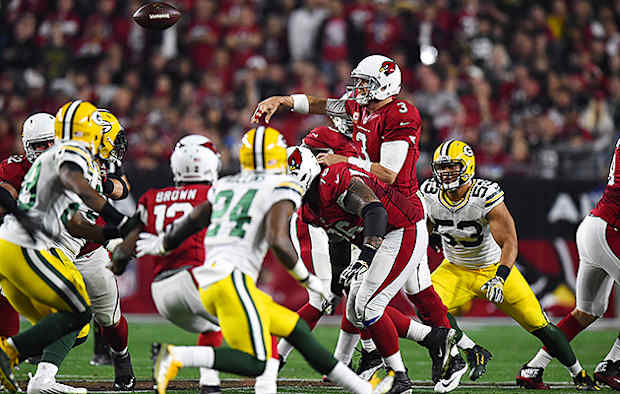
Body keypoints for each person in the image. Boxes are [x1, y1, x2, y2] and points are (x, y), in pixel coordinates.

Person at [116, 126, 394, 394]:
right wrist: (307, 279)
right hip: (230, 281)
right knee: (256, 361)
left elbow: (192, 220)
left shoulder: (225, 184)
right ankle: (176, 356)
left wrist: (162, 243)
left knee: (295, 329)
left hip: (213, 277)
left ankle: (363, 390)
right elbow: (278, 241)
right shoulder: (280, 186)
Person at [252, 54, 454, 389]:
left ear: (386, 84)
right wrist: (284, 100)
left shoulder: (395, 115)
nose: (357, 90)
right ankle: (397, 354)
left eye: (365, 83)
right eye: (357, 82)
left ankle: (436, 350)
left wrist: (343, 160)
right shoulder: (355, 112)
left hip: (396, 209)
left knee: (386, 298)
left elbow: (388, 173)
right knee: (360, 299)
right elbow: (322, 104)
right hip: (369, 209)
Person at [420, 139, 599, 392]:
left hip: (492, 268)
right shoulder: (429, 192)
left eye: (453, 167)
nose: (447, 173)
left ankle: (578, 373)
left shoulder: (484, 195)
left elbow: (510, 242)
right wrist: (431, 236)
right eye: (442, 168)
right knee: (426, 309)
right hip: (455, 268)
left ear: (468, 167)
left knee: (541, 326)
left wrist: (500, 277)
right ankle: (471, 350)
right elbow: (425, 224)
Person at [287, 146, 454, 394]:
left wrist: (365, 257)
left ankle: (400, 376)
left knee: (368, 305)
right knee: (356, 309)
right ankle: (434, 339)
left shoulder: (334, 179)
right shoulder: (309, 208)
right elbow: (337, 238)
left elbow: (375, 211)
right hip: (382, 237)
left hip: (401, 228)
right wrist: (336, 282)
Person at [0, 100, 132, 393]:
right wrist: (118, 226)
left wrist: (110, 231)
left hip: (27, 245)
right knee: (77, 313)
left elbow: (75, 218)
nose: (110, 147)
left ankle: (14, 358)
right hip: (37, 245)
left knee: (73, 322)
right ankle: (38, 376)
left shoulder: (67, 160)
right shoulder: (69, 157)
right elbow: (75, 194)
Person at [110, 134, 226, 393]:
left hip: (161, 290)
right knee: (256, 321)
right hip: (194, 278)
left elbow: (122, 254)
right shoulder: (214, 193)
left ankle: (208, 382)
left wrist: (114, 267)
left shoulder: (152, 197)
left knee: (212, 326)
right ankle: (265, 380)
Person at [518, 137, 620, 391]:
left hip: (596, 226)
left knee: (588, 311)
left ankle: (534, 367)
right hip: (610, 228)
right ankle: (612, 364)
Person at [70, 109, 136, 391]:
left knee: (109, 316)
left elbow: (122, 187)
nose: (118, 144)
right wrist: (117, 228)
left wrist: (106, 183)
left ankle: (121, 360)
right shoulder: (69, 161)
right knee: (68, 319)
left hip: (88, 249)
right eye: (113, 138)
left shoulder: (100, 162)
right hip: (55, 246)